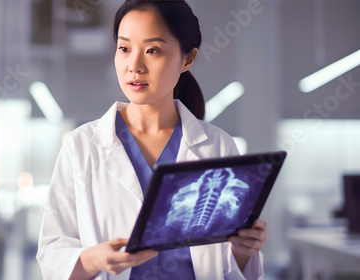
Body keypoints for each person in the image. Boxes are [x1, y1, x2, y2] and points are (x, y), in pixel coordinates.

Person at [37, 0, 267, 279]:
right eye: (124, 48)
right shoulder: (82, 146)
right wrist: (91, 259)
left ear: (187, 59)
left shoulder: (218, 147)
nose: (134, 65)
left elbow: (226, 264)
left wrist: (244, 249)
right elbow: (51, 249)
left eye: (153, 50)